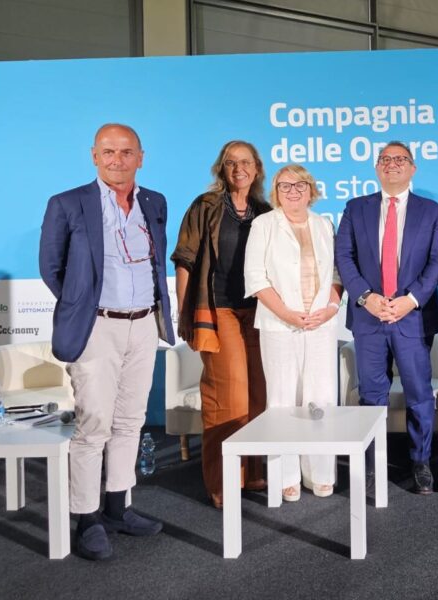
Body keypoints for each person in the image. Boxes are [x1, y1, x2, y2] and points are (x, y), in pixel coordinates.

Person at [39, 123, 175, 561]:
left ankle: (119, 506)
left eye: (126, 152)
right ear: (94, 156)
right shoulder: (67, 203)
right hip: (97, 326)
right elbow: (51, 267)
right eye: (109, 152)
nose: (118, 159)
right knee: (93, 424)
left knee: (130, 421)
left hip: (143, 325)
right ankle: (87, 518)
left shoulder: (154, 202)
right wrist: (83, 304)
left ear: (141, 156)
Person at [334, 141, 438, 494]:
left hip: (411, 317)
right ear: (376, 168)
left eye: (400, 159)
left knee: (418, 393)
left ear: (413, 168)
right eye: (386, 159)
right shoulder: (356, 209)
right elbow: (344, 257)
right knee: (372, 394)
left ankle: (421, 461)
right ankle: (372, 463)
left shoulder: (431, 211)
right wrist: (366, 298)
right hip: (369, 318)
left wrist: (411, 300)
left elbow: (437, 262)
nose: (392, 164)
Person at [171, 140, 271, 509]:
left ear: (257, 168)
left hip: (260, 313)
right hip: (219, 311)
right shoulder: (206, 206)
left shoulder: (265, 211)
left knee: (259, 396)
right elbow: (185, 260)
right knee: (227, 397)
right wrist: (184, 311)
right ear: (221, 169)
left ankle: (254, 470)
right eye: (231, 163)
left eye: (245, 162)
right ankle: (224, 481)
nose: (238, 169)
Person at [244, 164, 343, 502]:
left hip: (320, 325)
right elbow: (256, 278)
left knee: (321, 398)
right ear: (276, 191)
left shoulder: (324, 225)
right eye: (284, 185)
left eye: (300, 184)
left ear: (310, 189)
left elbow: (336, 274)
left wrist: (329, 309)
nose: (293, 191)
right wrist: (288, 314)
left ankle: (321, 473)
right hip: (279, 324)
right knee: (283, 400)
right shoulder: (263, 225)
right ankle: (285, 476)